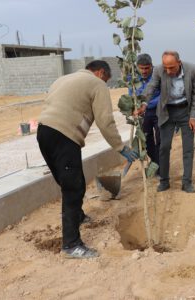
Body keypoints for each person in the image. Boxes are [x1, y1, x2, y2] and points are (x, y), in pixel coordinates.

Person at [37, 60, 138, 259]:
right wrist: (120, 147)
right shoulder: (97, 84)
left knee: (69, 181)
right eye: (107, 80)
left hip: (43, 132)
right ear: (100, 72)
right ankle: (71, 245)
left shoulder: (64, 79)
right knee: (73, 187)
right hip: (64, 136)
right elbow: (105, 121)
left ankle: (79, 216)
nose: (106, 84)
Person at [142, 51, 195, 193]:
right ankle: (164, 181)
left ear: (179, 63)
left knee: (188, 149)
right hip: (166, 112)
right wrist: (143, 103)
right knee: (163, 147)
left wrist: (194, 117)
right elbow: (151, 87)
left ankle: (187, 182)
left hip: (185, 112)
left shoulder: (192, 69)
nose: (168, 71)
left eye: (171, 68)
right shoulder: (158, 70)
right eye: (165, 67)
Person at [130, 54, 161, 168]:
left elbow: (163, 95)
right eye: (141, 68)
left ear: (151, 66)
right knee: (146, 140)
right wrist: (133, 108)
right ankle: (155, 163)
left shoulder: (158, 76)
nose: (144, 71)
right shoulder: (133, 78)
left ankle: (160, 166)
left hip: (159, 111)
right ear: (137, 67)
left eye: (147, 68)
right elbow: (131, 94)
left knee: (160, 139)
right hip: (144, 114)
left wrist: (147, 104)